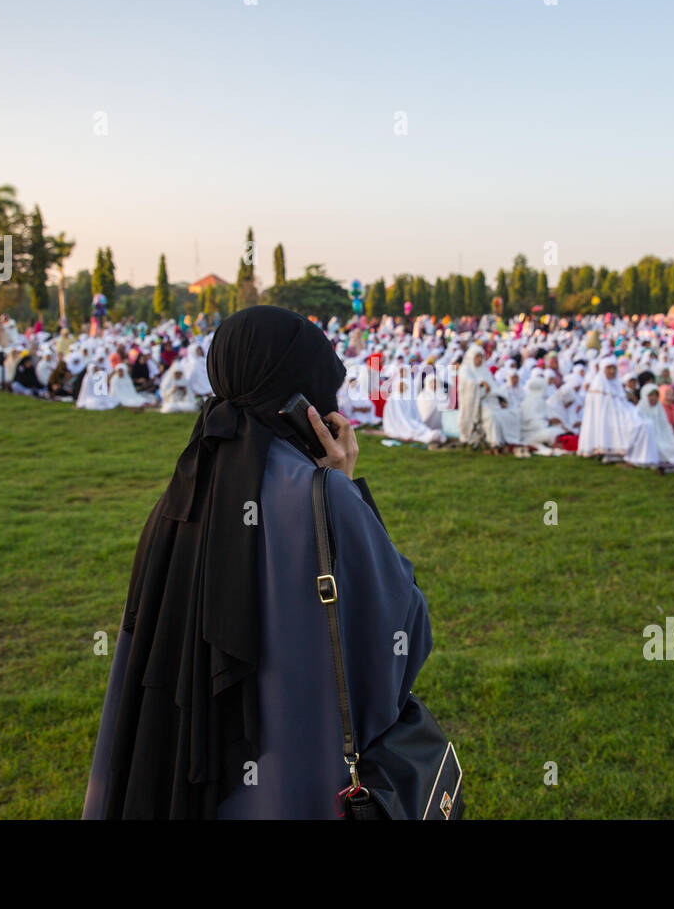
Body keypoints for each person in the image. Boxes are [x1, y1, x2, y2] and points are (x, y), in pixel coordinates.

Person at [83, 306, 432, 819]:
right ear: (301, 397)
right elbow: (407, 631)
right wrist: (347, 485)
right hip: (295, 777)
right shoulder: (321, 498)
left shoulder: (184, 489)